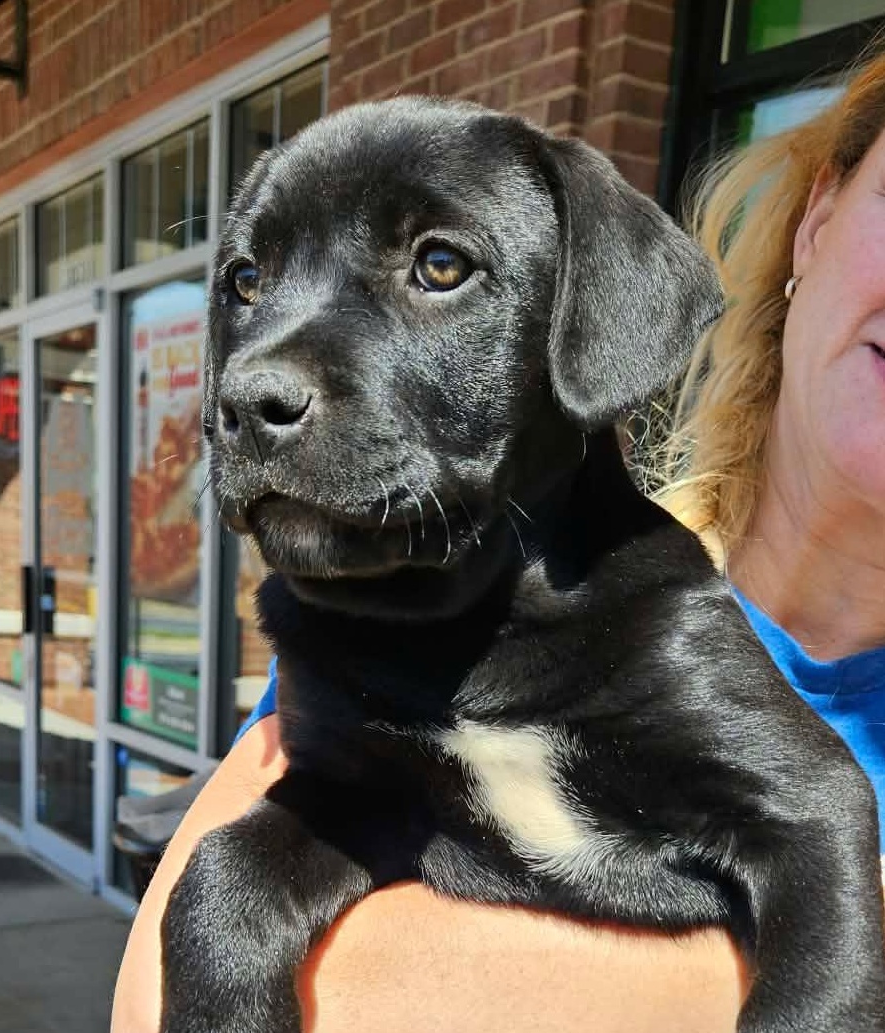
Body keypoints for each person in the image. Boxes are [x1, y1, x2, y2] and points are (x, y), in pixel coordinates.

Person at [111, 49, 885, 1033]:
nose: (263, 372)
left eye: (440, 266)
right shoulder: (386, 601)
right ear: (819, 217)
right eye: (251, 282)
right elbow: (154, 990)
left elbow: (809, 827)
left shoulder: (653, 631)